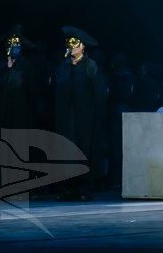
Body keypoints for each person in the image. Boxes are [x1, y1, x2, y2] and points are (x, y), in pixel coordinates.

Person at [53, 26, 109, 202]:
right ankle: (69, 187)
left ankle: (85, 187)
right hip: (67, 117)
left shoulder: (90, 66)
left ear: (83, 46)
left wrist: (97, 116)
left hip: (85, 117)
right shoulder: (63, 67)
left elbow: (99, 93)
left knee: (85, 150)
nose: (71, 48)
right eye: (69, 44)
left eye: (75, 44)